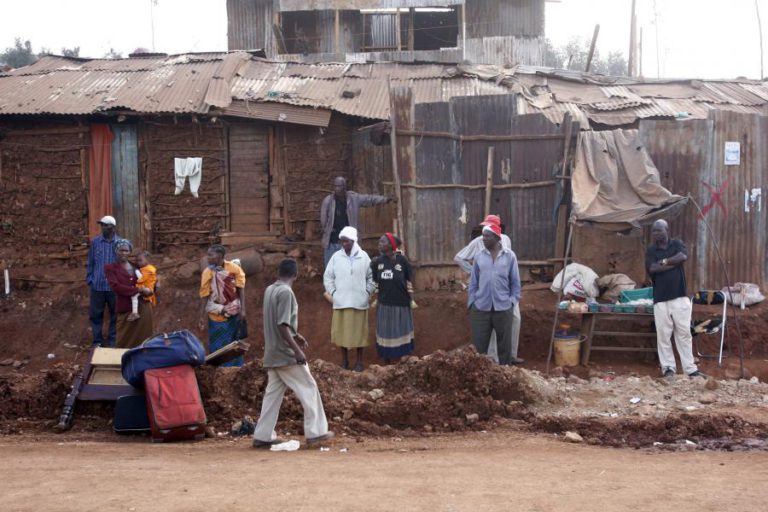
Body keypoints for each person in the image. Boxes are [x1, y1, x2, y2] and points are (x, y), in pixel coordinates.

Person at [252, 259, 335, 448]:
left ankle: (263, 436)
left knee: (272, 395)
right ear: (296, 275)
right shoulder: (286, 292)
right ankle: (316, 432)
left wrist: (296, 335)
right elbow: (282, 324)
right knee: (309, 387)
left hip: (272, 352)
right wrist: (297, 350)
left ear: (278, 272)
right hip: (284, 353)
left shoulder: (270, 290)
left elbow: (278, 322)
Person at [454, 214, 522, 364]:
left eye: (487, 235)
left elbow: (515, 282)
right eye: (483, 235)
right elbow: (473, 282)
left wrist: (512, 301)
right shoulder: (479, 255)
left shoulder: (509, 254)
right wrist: (472, 302)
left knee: (506, 338)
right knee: (480, 344)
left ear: (497, 236)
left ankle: (507, 364)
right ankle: (487, 366)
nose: (483, 238)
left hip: (504, 303)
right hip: (481, 304)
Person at [645, 219, 705, 379]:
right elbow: (652, 268)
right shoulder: (651, 250)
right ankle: (668, 369)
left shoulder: (676, 244)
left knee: (684, 333)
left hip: (680, 297)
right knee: (663, 335)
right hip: (660, 300)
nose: (655, 234)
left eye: (659, 230)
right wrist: (673, 263)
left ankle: (690, 369)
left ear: (667, 231)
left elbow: (682, 256)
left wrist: (664, 262)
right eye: (653, 231)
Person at [323, 226, 375, 371]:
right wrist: (333, 292)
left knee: (360, 334)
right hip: (341, 302)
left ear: (353, 241)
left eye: (346, 241)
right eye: (342, 241)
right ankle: (344, 361)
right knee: (342, 334)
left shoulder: (364, 257)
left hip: (359, 301)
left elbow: (372, 277)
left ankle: (359, 362)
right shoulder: (336, 257)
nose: (344, 244)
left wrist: (367, 291)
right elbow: (328, 277)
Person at [320, 176, 396, 267]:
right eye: (335, 186)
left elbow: (370, 199)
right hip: (333, 242)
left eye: (339, 186)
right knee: (330, 267)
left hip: (349, 242)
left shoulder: (353, 199)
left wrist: (386, 199)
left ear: (344, 187)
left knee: (351, 267)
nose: (337, 189)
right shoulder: (328, 201)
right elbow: (323, 219)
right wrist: (328, 230)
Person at [198, 244, 247, 367]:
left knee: (234, 345)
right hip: (216, 315)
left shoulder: (234, 268)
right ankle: (219, 372)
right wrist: (201, 316)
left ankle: (236, 370)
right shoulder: (208, 272)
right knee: (217, 347)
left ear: (219, 256)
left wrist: (243, 309)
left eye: (211, 255)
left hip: (234, 313)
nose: (208, 257)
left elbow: (240, 288)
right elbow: (205, 295)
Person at [370, 233, 415, 363]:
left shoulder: (402, 260)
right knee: (386, 332)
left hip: (401, 303)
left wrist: (411, 299)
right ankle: (387, 361)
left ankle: (403, 359)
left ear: (391, 245)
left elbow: (409, 279)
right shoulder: (377, 262)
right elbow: (375, 281)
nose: (379, 244)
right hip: (384, 304)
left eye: (382, 242)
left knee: (401, 329)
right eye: (379, 242)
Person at [104, 240, 155, 348]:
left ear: (130, 252)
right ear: (116, 251)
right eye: (121, 250)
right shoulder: (110, 268)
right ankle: (123, 361)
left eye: (126, 250)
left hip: (143, 306)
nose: (123, 253)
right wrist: (138, 290)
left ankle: (142, 360)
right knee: (123, 338)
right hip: (125, 307)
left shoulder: (136, 266)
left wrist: (153, 287)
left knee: (144, 336)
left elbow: (148, 279)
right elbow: (116, 287)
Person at [86, 215, 121, 346]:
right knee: (96, 315)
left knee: (115, 314)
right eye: (102, 225)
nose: (103, 227)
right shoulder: (95, 242)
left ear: (112, 227)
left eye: (105, 225)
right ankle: (97, 341)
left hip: (114, 287)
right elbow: (91, 261)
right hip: (98, 286)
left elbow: (123, 263)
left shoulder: (120, 243)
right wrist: (90, 279)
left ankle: (112, 340)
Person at [128, 251, 157, 322]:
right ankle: (135, 313)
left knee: (134, 295)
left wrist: (135, 276)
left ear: (147, 260)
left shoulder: (148, 269)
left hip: (147, 287)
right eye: (137, 261)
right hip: (145, 286)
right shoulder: (145, 268)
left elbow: (143, 278)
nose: (138, 262)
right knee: (134, 296)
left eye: (140, 260)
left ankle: (135, 313)